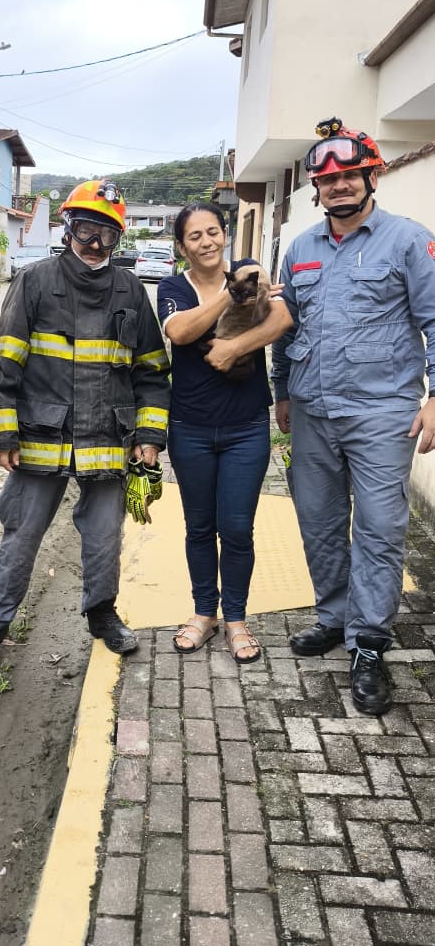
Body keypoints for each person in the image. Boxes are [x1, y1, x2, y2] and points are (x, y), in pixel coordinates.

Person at [0, 179, 170, 674]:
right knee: (20, 538)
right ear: (68, 228)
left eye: (106, 235)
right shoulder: (34, 282)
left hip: (107, 441)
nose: (94, 244)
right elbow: (4, 363)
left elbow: (153, 373)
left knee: (103, 540)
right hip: (39, 440)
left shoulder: (131, 290)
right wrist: (3, 434)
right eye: (85, 230)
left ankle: (101, 615)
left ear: (118, 240)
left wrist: (150, 437)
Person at [272, 118, 435, 715]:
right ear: (316, 187)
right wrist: (281, 392)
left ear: (373, 175)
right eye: (328, 179)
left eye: (350, 176)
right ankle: (334, 618)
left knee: (380, 529)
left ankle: (369, 643)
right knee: (318, 521)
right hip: (312, 411)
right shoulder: (301, 250)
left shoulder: (408, 242)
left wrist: (434, 397)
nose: (338, 186)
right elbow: (282, 328)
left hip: (382, 413)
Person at [157, 203, 292, 661]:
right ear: (182, 247)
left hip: (246, 426)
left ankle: (235, 618)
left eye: (213, 232)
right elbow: (181, 332)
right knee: (199, 526)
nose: (206, 242)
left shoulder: (252, 275)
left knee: (236, 528)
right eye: (195, 237)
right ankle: (203, 614)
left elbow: (281, 319)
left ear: (225, 234)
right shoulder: (175, 287)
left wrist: (235, 344)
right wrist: (233, 290)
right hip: (190, 426)